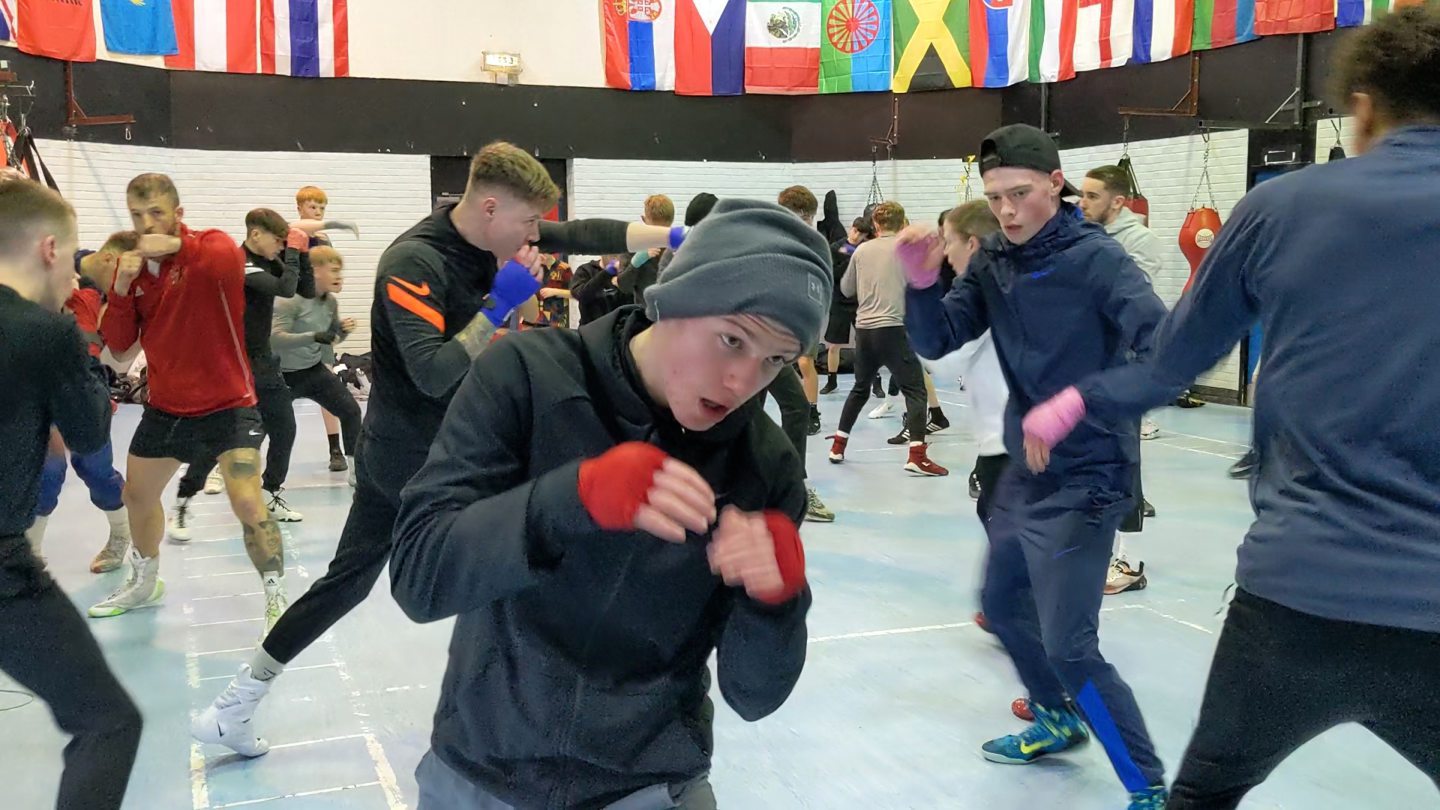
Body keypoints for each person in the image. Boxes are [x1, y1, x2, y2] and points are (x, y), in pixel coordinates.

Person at [1022, 9, 1440, 805]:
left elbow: (1168, 364)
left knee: (1204, 795)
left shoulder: (1281, 206)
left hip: (1298, 594)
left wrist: (1075, 399)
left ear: (1363, 106)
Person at [193, 141, 681, 757]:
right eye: (528, 223)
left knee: (553, 541)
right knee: (359, 578)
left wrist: (675, 235)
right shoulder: (413, 262)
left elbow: (577, 231)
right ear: (491, 209)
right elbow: (433, 372)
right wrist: (500, 302)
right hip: (412, 455)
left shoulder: (491, 230)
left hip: (479, 437)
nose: (538, 236)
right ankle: (236, 704)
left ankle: (561, 706)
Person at [389, 198, 823, 808]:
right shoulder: (527, 376)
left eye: (774, 360)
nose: (742, 382)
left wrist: (778, 602)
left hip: (647, 784)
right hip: (483, 770)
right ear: (674, 302)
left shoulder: (765, 468)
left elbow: (755, 697)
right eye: (732, 340)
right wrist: (569, 499)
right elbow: (418, 576)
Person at [900, 124, 1168, 809]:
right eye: (996, 199)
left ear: (1057, 183)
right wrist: (924, 286)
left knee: (1072, 646)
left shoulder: (1096, 260)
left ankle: (1150, 788)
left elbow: (1164, 351)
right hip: (1026, 471)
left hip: (1091, 473)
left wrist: (1079, 403)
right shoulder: (993, 258)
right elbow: (940, 340)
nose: (1009, 211)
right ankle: (1053, 718)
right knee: (1000, 606)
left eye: (1021, 193)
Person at [0, 177, 143, 810]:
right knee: (108, 722)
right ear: (51, 249)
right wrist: (85, 350)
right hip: (4, 574)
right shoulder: (45, 332)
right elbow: (88, 432)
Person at [92, 174, 285, 626]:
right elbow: (119, 347)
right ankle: (146, 580)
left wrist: (174, 248)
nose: (147, 223)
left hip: (229, 406)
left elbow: (223, 261)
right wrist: (120, 290)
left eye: (157, 212)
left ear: (178, 214)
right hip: (167, 409)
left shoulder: (211, 248)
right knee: (136, 495)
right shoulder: (136, 275)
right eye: (138, 216)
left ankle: (276, 598)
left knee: (247, 502)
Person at [170, 208, 314, 552]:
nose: (280, 247)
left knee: (284, 428)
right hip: (231, 365)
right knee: (219, 441)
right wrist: (293, 251)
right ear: (255, 235)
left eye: (284, 242)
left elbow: (304, 289)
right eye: (277, 241)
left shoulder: (268, 260)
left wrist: (302, 254)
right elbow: (285, 287)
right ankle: (183, 501)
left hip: (261, 360)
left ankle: (269, 494)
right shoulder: (239, 262)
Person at [26, 231, 140, 574]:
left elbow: (122, 348)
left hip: (83, 391)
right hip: (35, 390)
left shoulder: (100, 289)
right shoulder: (58, 268)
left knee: (95, 469)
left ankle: (122, 534)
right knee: (47, 473)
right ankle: (27, 556)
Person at [1081, 164, 1164, 594]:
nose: (1082, 202)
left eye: (1092, 196)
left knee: (1123, 463)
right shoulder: (1088, 238)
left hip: (1122, 367)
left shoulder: (1139, 242)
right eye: (1082, 194)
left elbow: (1128, 303)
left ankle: (1128, 563)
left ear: (1117, 201)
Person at [829, 201, 948, 477]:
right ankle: (917, 456)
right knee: (915, 391)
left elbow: (846, 288)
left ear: (876, 225)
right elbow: (926, 284)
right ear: (902, 222)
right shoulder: (908, 250)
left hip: (865, 330)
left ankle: (837, 445)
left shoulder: (861, 251)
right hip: (894, 328)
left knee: (860, 389)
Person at [270, 244, 362, 486]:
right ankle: (224, 471)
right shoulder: (289, 301)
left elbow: (329, 339)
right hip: (278, 376)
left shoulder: (330, 303)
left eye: (340, 271)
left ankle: (356, 473)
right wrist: (313, 336)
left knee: (351, 412)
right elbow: (275, 339)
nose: (339, 276)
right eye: (333, 270)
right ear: (314, 271)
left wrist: (341, 332)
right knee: (262, 430)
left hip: (311, 371)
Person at [776, 186, 825, 435]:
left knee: (805, 361)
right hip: (778, 313)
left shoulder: (813, 243)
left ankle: (811, 410)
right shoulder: (776, 238)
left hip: (805, 310)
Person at [819, 216, 871, 395]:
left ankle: (874, 381)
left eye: (861, 234)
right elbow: (833, 273)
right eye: (855, 231)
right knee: (833, 345)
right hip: (839, 301)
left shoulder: (866, 250)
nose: (856, 236)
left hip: (859, 302)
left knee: (867, 343)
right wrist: (850, 261)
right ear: (851, 228)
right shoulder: (836, 247)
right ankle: (831, 380)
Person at [618, 194, 675, 305]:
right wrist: (635, 264)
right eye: (655, 229)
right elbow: (624, 287)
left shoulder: (681, 245)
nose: (659, 234)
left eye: (664, 229)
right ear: (644, 220)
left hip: (675, 315)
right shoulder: (633, 246)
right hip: (644, 316)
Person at [569, 254, 627, 325]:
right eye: (612, 253)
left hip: (621, 328)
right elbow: (580, 295)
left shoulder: (626, 272)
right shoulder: (585, 270)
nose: (616, 257)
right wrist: (606, 273)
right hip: (591, 329)